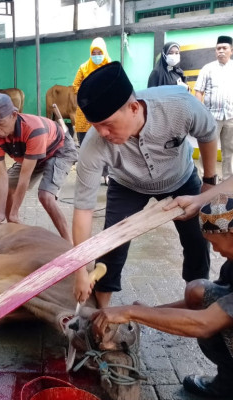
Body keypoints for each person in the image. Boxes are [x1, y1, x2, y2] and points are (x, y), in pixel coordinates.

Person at [73, 61, 218, 309]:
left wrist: (208, 184)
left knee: (197, 239)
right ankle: (101, 312)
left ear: (133, 107)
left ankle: (197, 301)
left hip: (180, 178)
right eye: (96, 127)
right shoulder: (94, 144)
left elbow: (208, 134)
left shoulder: (180, 106)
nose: (103, 134)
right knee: (112, 243)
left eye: (107, 124)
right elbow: (83, 210)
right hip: (128, 184)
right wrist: (79, 271)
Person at [91, 191, 233, 399]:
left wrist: (131, 312)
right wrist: (147, 312)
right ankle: (226, 381)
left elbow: (205, 323)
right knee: (197, 292)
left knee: (208, 329)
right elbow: (211, 304)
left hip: (209, 323)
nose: (214, 249)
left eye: (214, 242)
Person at [0, 93, 78, 243]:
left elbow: (25, 177)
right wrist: (0, 213)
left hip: (59, 150)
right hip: (31, 155)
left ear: (14, 115)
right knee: (9, 188)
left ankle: (68, 244)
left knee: (46, 196)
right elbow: (0, 175)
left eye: (0, 123)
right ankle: (12, 232)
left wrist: (14, 211)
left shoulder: (33, 129)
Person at [194, 35, 233, 181]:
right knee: (207, 149)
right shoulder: (208, 68)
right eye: (218, 48)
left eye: (224, 48)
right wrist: (200, 114)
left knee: (229, 151)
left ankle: (228, 181)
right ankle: (205, 180)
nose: (221, 51)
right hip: (211, 118)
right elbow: (199, 92)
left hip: (231, 117)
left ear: (231, 50)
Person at [72, 37, 111, 147]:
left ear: (104, 52)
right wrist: (87, 94)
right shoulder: (83, 67)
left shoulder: (110, 67)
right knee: (85, 143)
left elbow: (115, 87)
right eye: (93, 53)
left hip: (104, 110)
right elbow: (75, 86)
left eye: (99, 52)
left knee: (104, 142)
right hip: (86, 109)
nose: (96, 55)